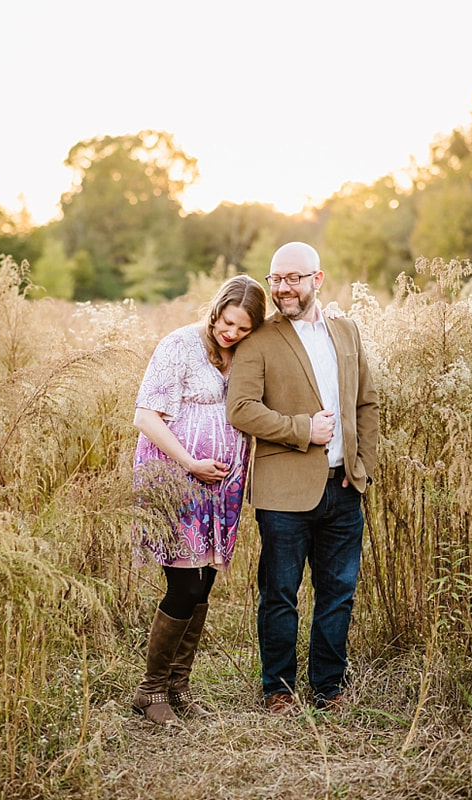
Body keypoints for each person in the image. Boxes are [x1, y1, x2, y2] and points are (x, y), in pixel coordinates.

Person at [226, 242, 379, 715]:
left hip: (343, 488)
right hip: (283, 493)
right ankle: (278, 689)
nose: (282, 288)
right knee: (279, 596)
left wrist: (363, 468)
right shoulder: (258, 339)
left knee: (338, 594)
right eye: (275, 279)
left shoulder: (347, 332)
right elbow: (241, 409)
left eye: (293, 278)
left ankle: (329, 688)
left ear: (318, 279)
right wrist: (301, 430)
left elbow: (366, 404)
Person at [131, 274, 267, 725]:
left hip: (222, 486)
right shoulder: (180, 345)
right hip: (177, 479)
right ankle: (150, 692)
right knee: (184, 585)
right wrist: (191, 463)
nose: (232, 334)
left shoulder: (244, 353)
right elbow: (145, 415)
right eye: (227, 323)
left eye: (243, 328)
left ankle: (177, 687)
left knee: (204, 583)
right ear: (215, 310)